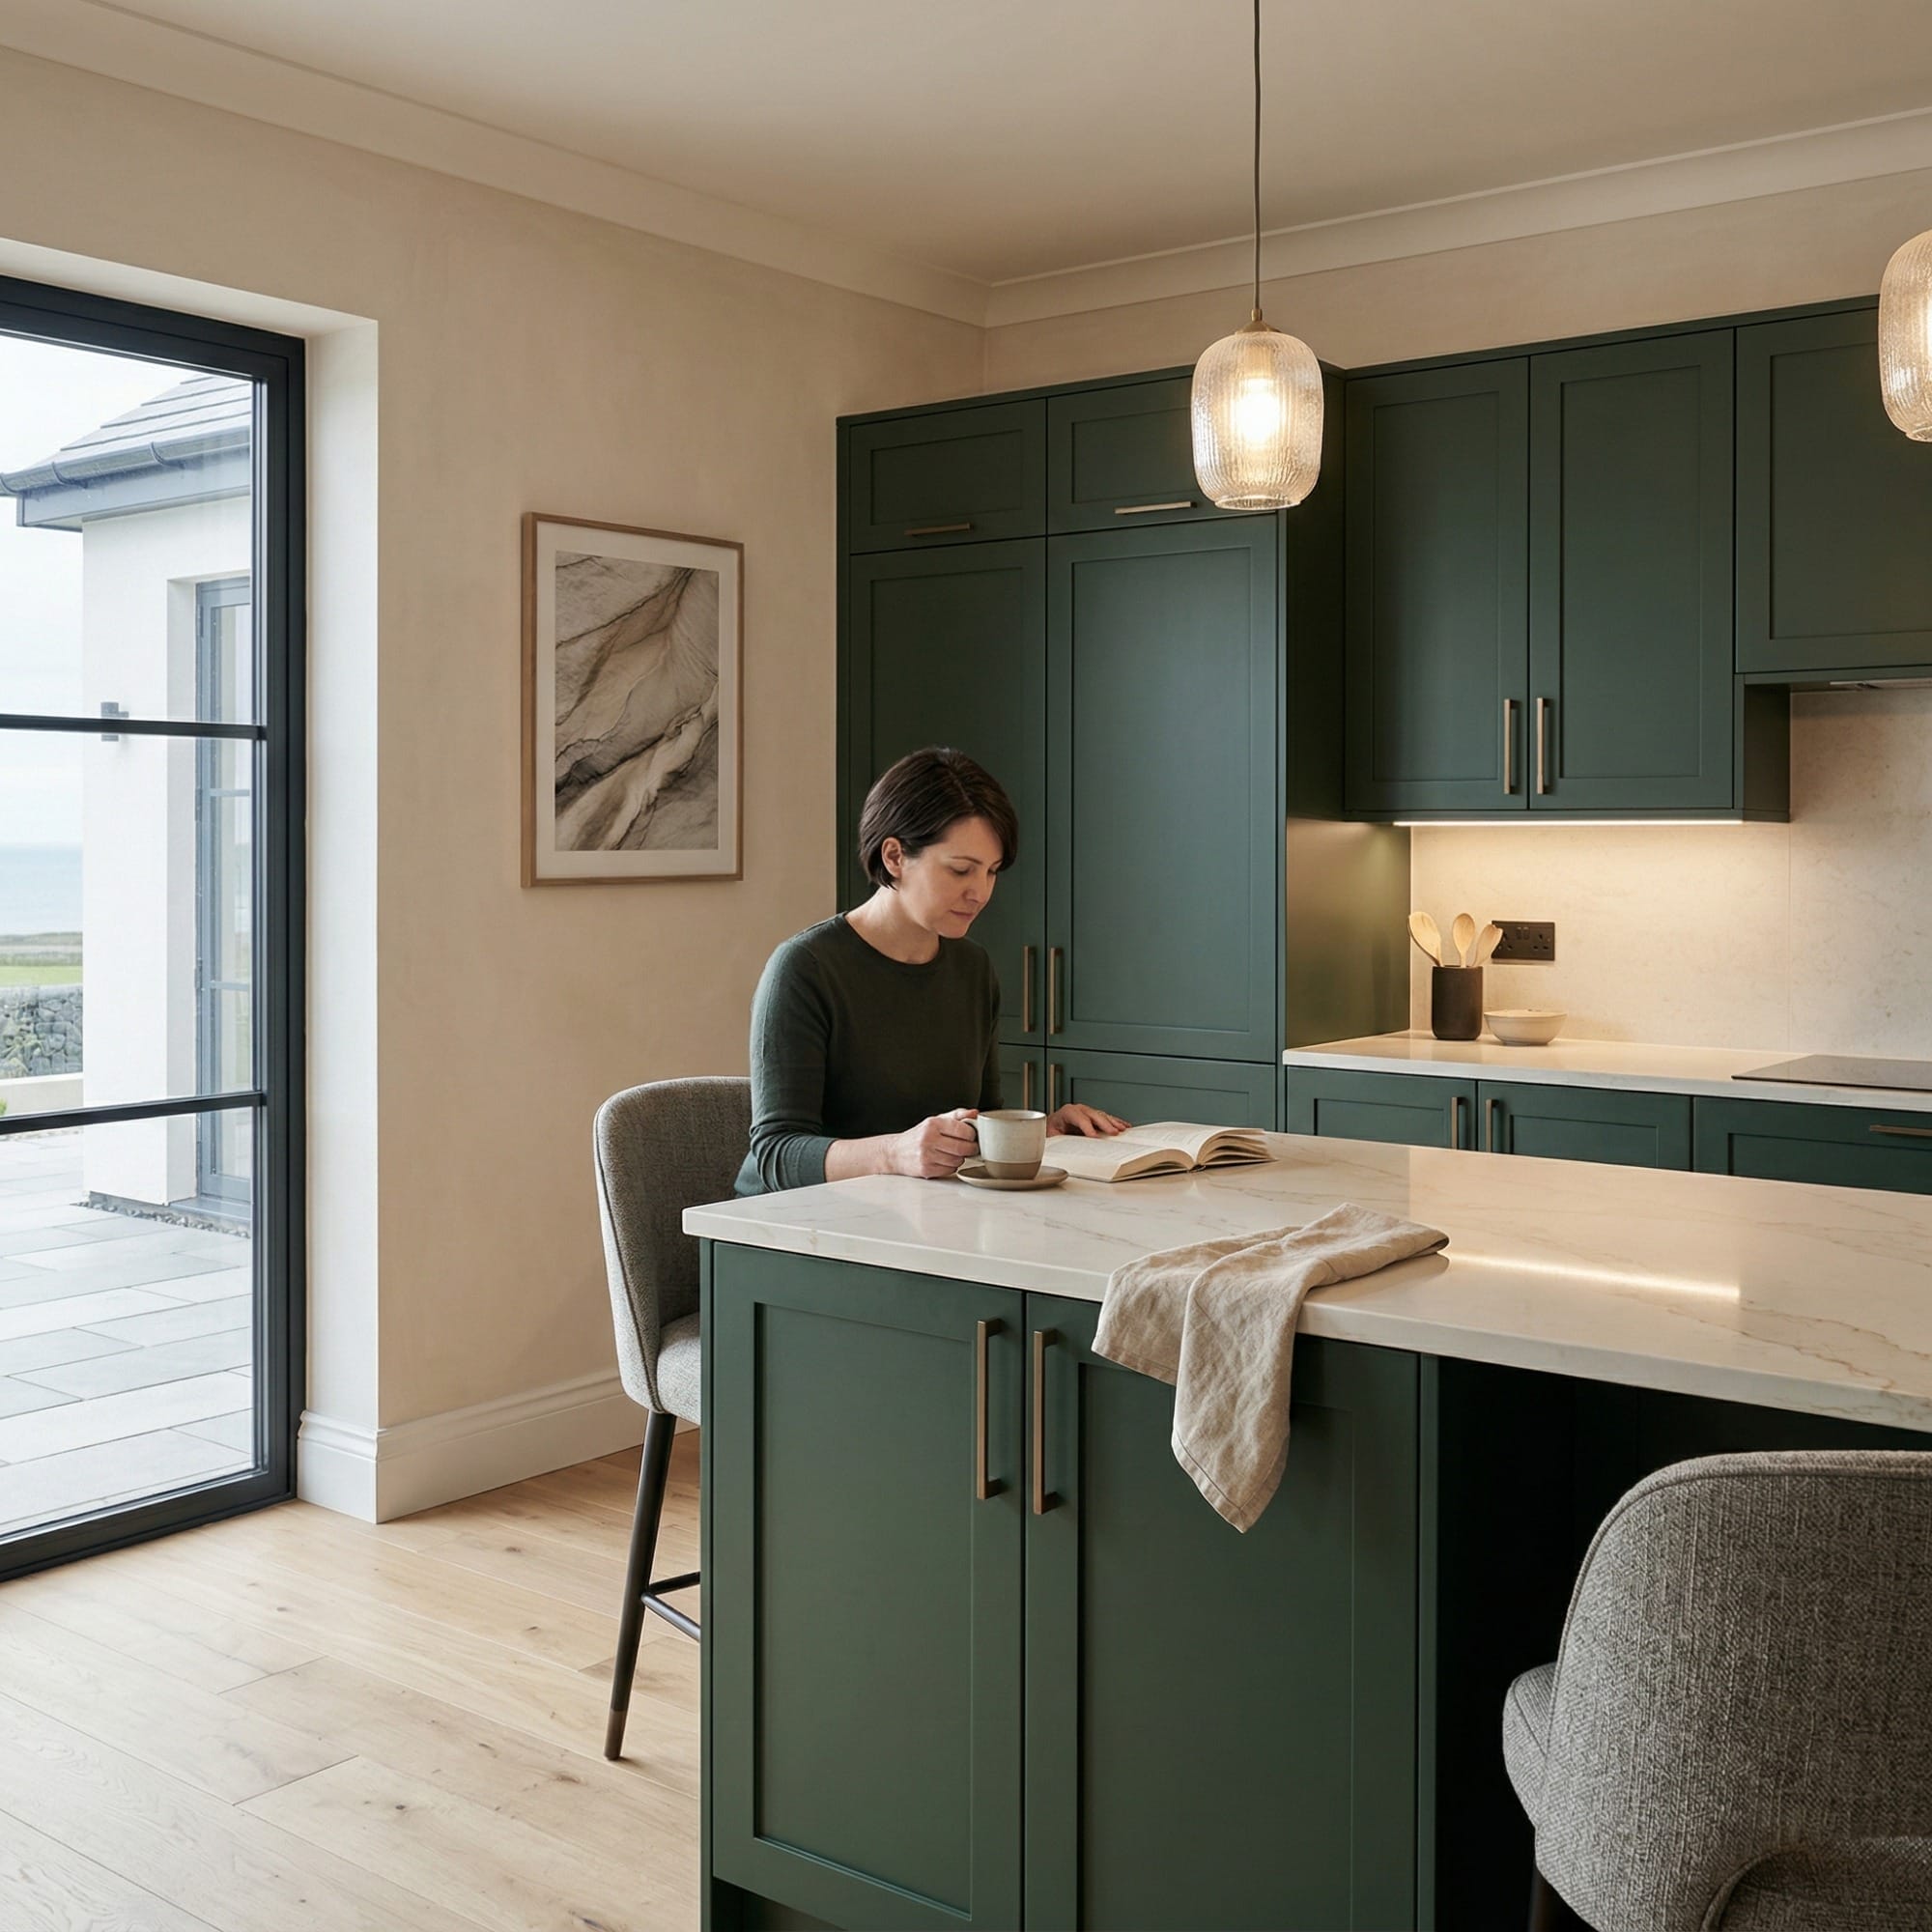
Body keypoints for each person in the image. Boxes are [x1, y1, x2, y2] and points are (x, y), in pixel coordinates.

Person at [737, 746, 1127, 1194]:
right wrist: (893, 1152)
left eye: (991, 872)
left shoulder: (973, 968)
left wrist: (1041, 1131)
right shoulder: (804, 969)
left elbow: (974, 1126)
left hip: (919, 1219)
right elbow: (774, 1154)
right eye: (961, 871)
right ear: (894, 857)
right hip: (794, 1232)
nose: (979, 893)